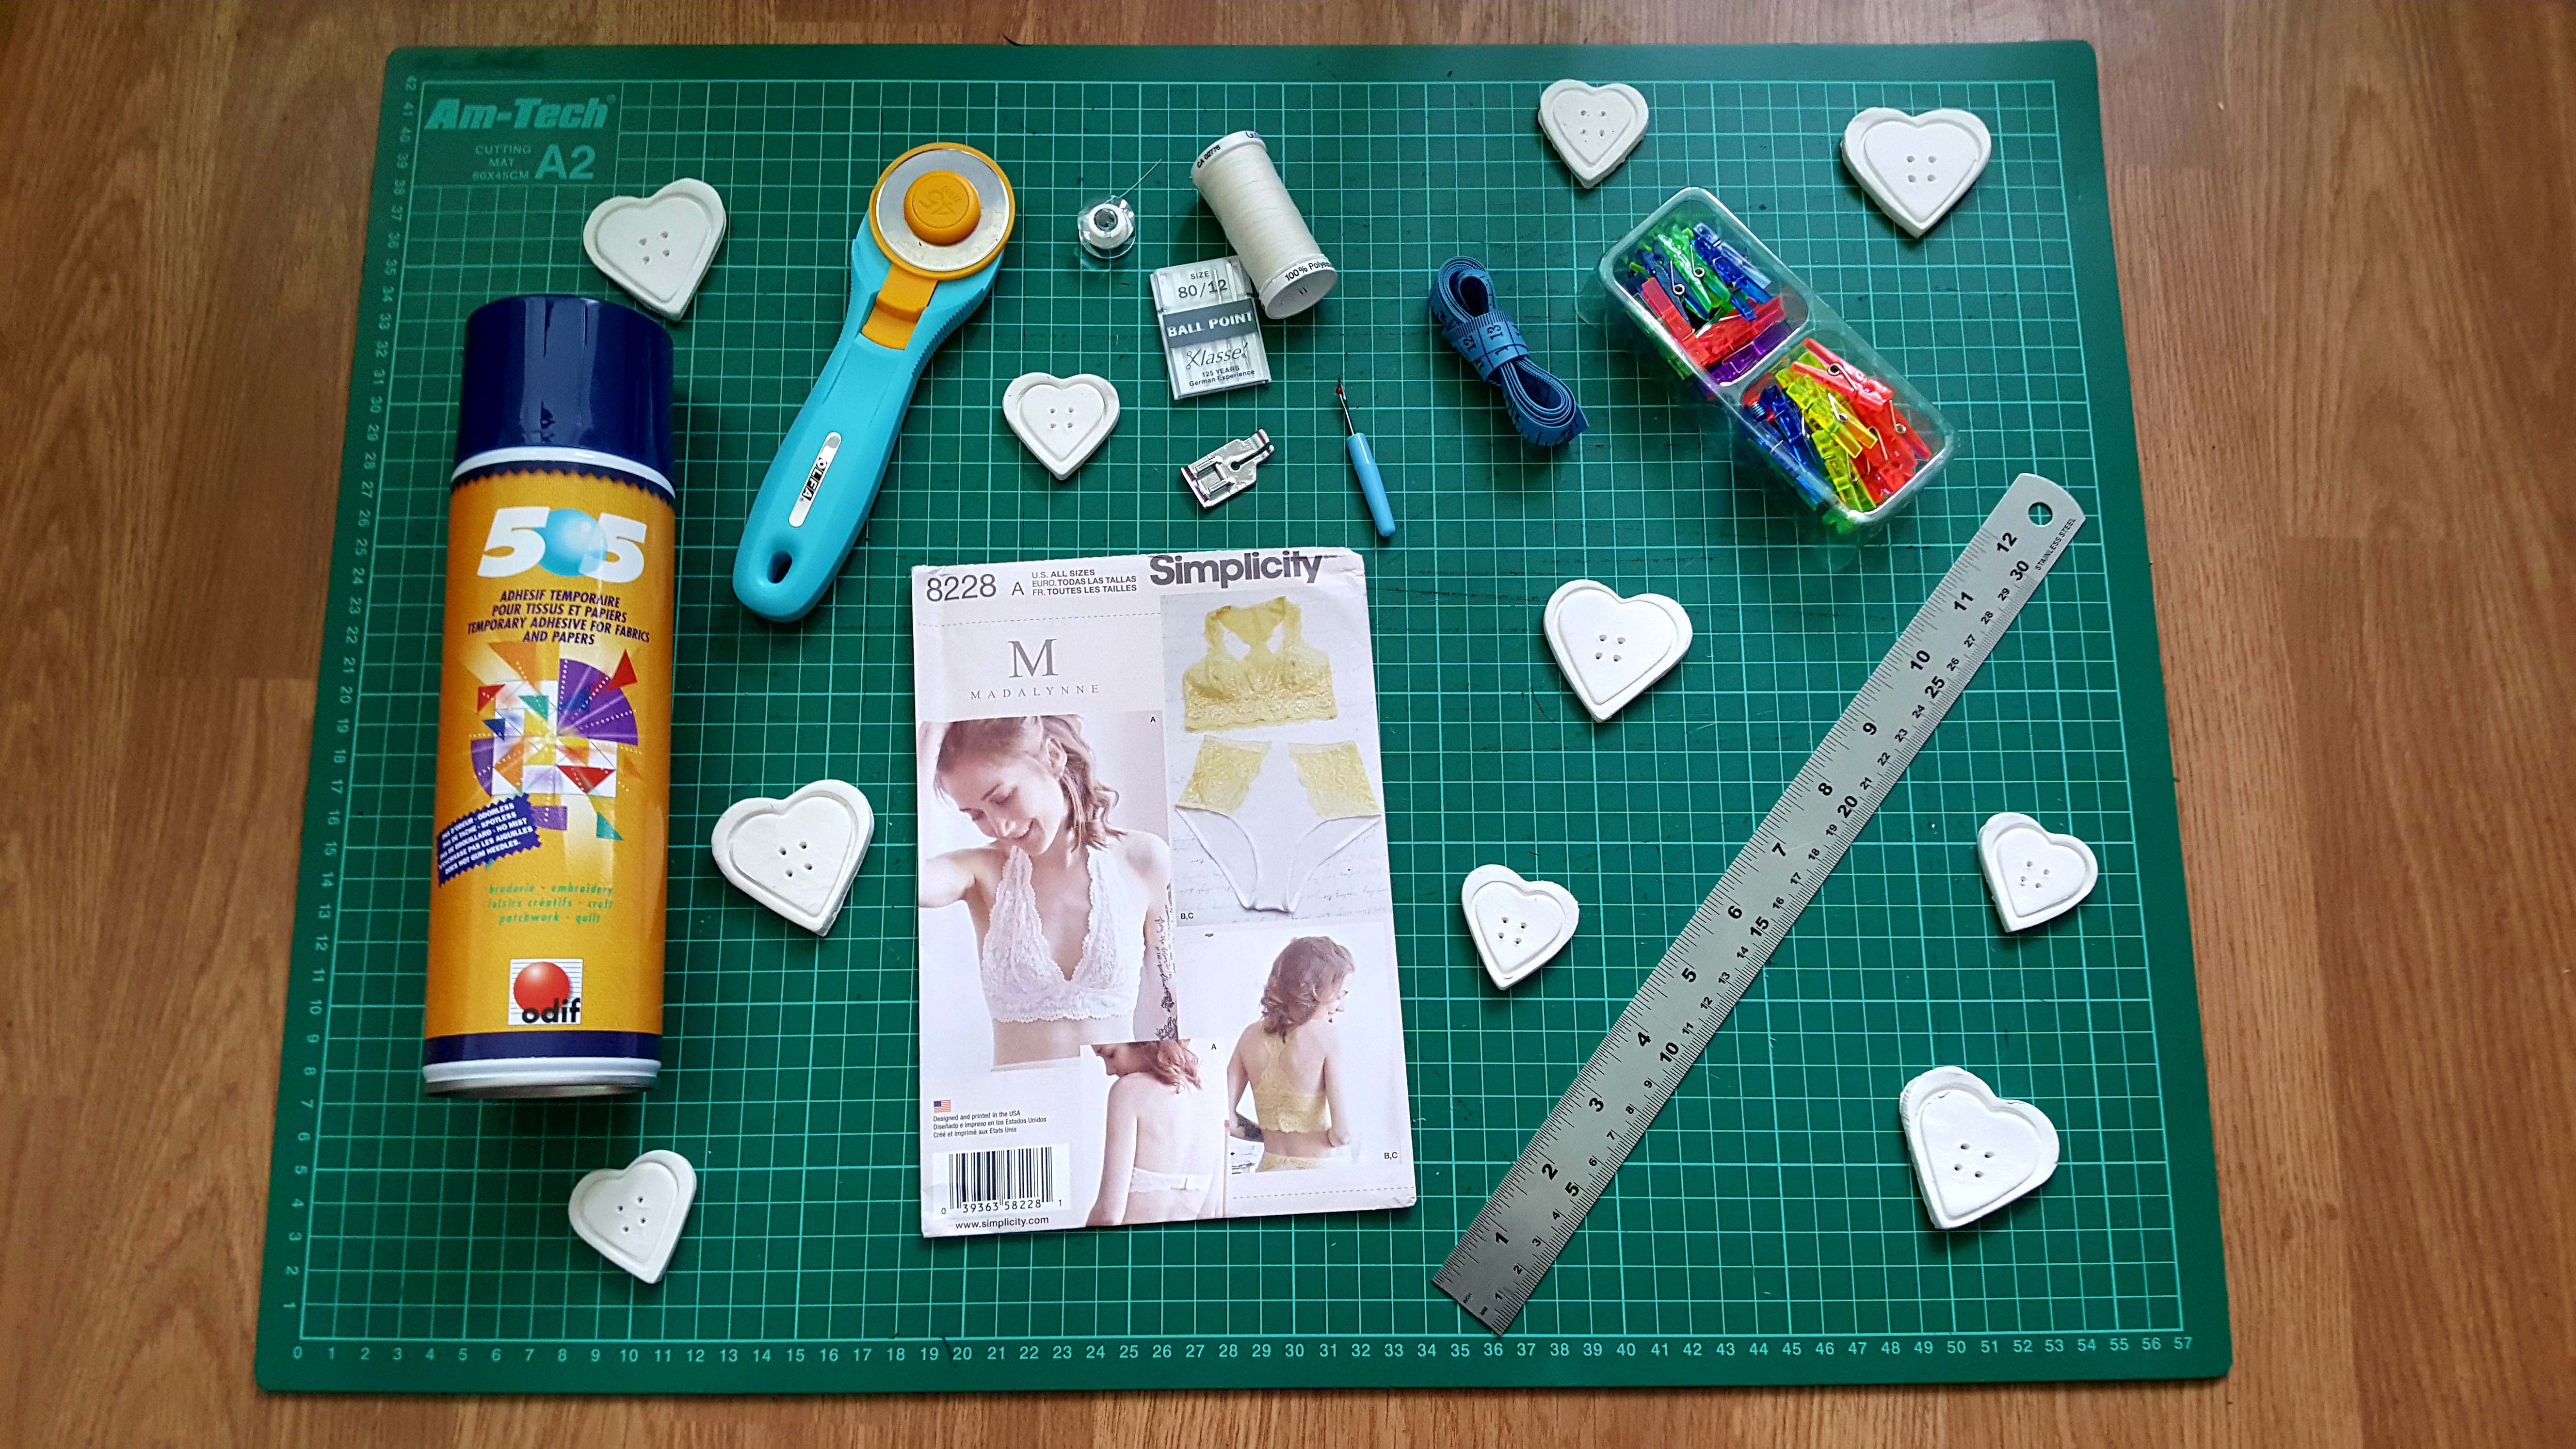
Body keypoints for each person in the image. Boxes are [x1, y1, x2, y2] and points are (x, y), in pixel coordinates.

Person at [920, 716, 1174, 1065]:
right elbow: (909, 882)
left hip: (1115, 1093)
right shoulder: (981, 872)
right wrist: (930, 736)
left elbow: (1168, 999)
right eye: (976, 815)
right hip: (1016, 1099)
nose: (1000, 827)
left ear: (1053, 757)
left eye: (1003, 798)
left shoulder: (1144, 859)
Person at [1225, 936, 1354, 1171]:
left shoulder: (1248, 1036)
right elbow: (1343, 1135)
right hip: (1319, 1174)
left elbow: (1225, 1119)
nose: (1342, 1007)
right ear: (1316, 988)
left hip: (1268, 1172)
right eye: (1340, 995)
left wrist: (1270, 1135)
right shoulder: (1329, 1038)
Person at [1087, 1040, 1223, 1225]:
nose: (1109, 1071)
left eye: (1111, 1055)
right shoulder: (1208, 1097)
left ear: (1141, 1042)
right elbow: (1211, 1211)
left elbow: (1109, 1215)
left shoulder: (1128, 1091)